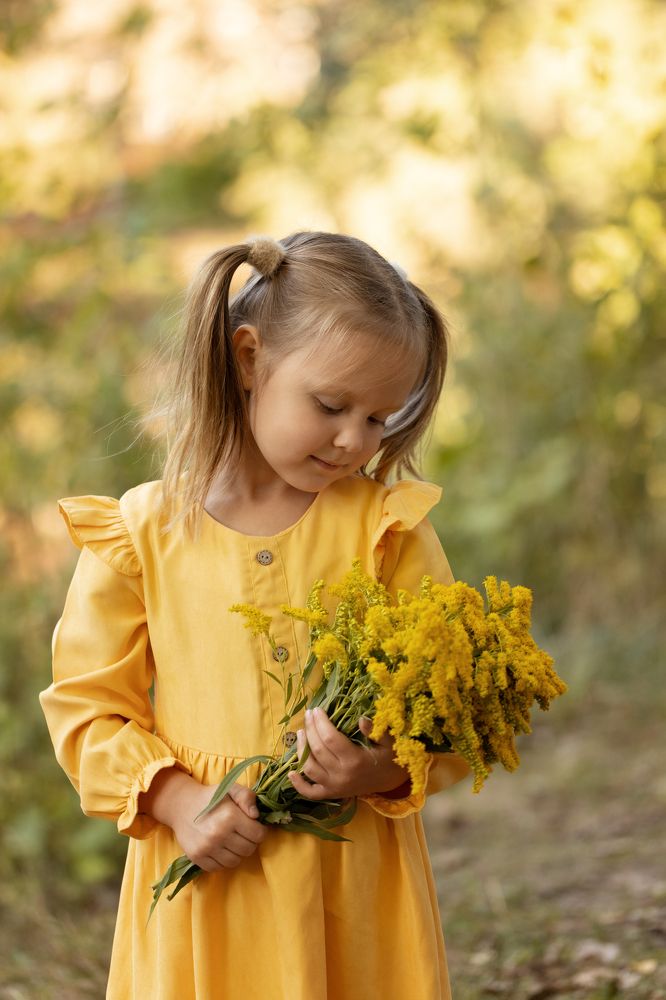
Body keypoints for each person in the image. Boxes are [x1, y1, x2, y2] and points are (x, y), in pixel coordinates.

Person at [40, 231, 471, 999]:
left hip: (353, 887)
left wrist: (373, 767)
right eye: (332, 405)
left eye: (379, 418)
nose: (353, 439)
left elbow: (454, 710)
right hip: (210, 879)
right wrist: (177, 802)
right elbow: (86, 710)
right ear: (249, 360)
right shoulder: (142, 535)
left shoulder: (386, 533)